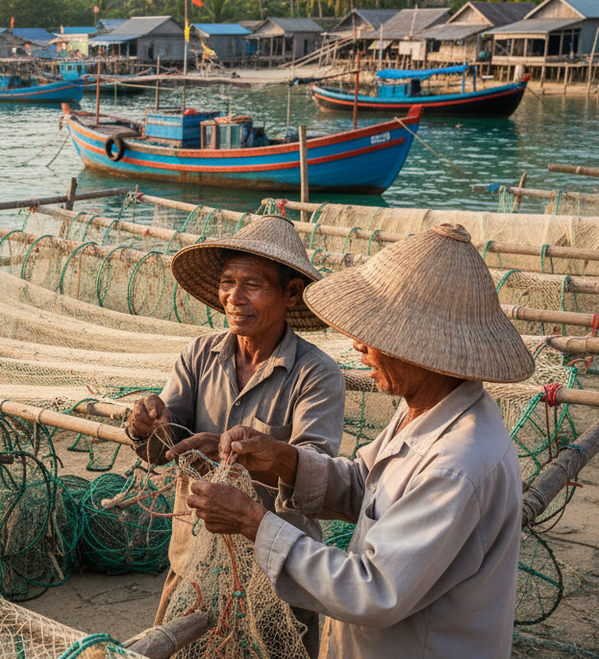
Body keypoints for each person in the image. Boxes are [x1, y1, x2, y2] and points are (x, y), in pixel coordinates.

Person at [186, 223, 533, 658]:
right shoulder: (423, 410)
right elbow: (363, 485)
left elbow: (372, 589)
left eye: (374, 335)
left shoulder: (456, 464)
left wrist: (253, 522)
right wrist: (282, 460)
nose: (358, 346)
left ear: (422, 347)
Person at [125, 214, 345, 657]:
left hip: (279, 569)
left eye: (253, 285)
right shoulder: (197, 356)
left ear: (290, 293)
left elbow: (315, 477)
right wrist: (143, 424)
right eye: (227, 282)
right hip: (191, 561)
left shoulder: (317, 374)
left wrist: (247, 454)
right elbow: (159, 448)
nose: (234, 298)